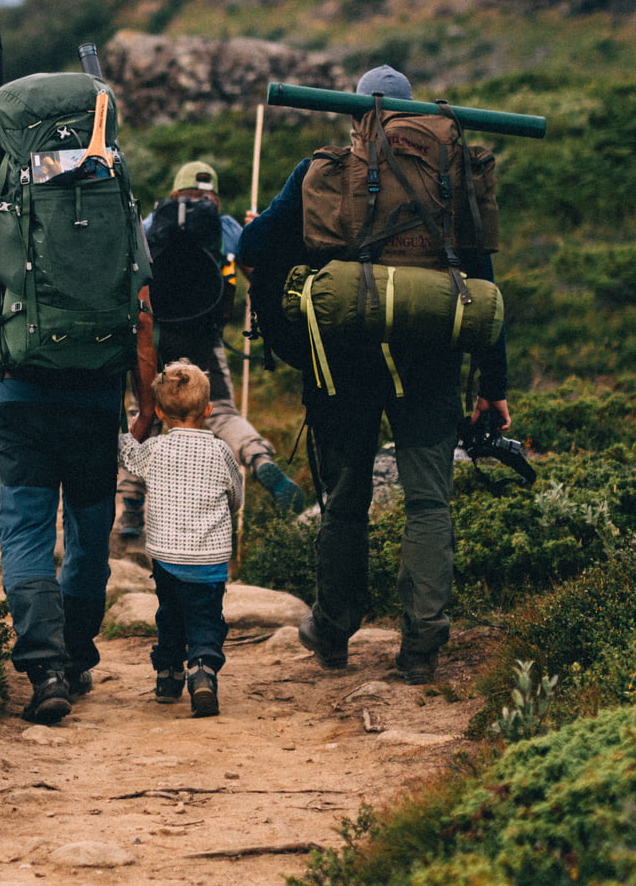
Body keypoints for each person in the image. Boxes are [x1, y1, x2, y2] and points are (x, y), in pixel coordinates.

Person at [237, 65, 511, 685]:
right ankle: (422, 646)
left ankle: (333, 630)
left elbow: (254, 250)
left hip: (343, 364)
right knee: (429, 502)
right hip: (431, 359)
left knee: (345, 501)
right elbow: (482, 280)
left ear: (354, 116)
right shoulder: (450, 175)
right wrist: (493, 386)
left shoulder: (322, 172)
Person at [0, 147, 158, 724]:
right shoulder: (116, 202)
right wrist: (145, 405)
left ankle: (45, 667)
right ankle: (75, 657)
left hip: (19, 396)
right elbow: (143, 316)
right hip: (96, 399)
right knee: (89, 531)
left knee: (25, 529)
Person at [122, 161, 299, 540]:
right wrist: (256, 231)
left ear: (175, 192)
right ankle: (259, 459)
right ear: (214, 195)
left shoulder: (152, 222)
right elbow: (257, 271)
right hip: (203, 335)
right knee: (220, 411)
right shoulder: (225, 225)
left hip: (155, 335)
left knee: (145, 412)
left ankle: (131, 505)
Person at [117, 360, 243, 718]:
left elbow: (127, 454)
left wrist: (127, 427)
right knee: (206, 618)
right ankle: (202, 671)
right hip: (210, 561)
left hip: (167, 558)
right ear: (208, 409)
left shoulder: (155, 449)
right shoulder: (220, 451)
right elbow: (235, 496)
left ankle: (168, 677)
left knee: (170, 616)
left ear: (159, 412)